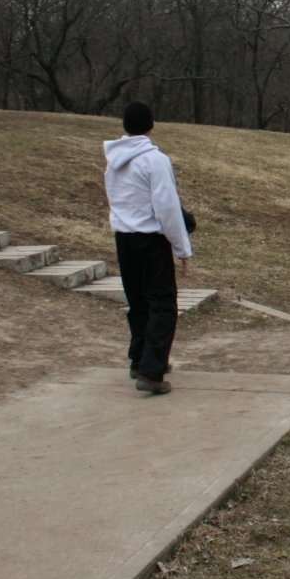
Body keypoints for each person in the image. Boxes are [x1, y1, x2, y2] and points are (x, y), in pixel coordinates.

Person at [103, 101, 192, 395]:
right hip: (150, 240)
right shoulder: (155, 160)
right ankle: (152, 372)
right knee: (163, 304)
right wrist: (182, 249)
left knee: (138, 302)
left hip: (124, 238)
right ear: (151, 125)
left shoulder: (114, 161)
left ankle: (140, 359)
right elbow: (167, 208)